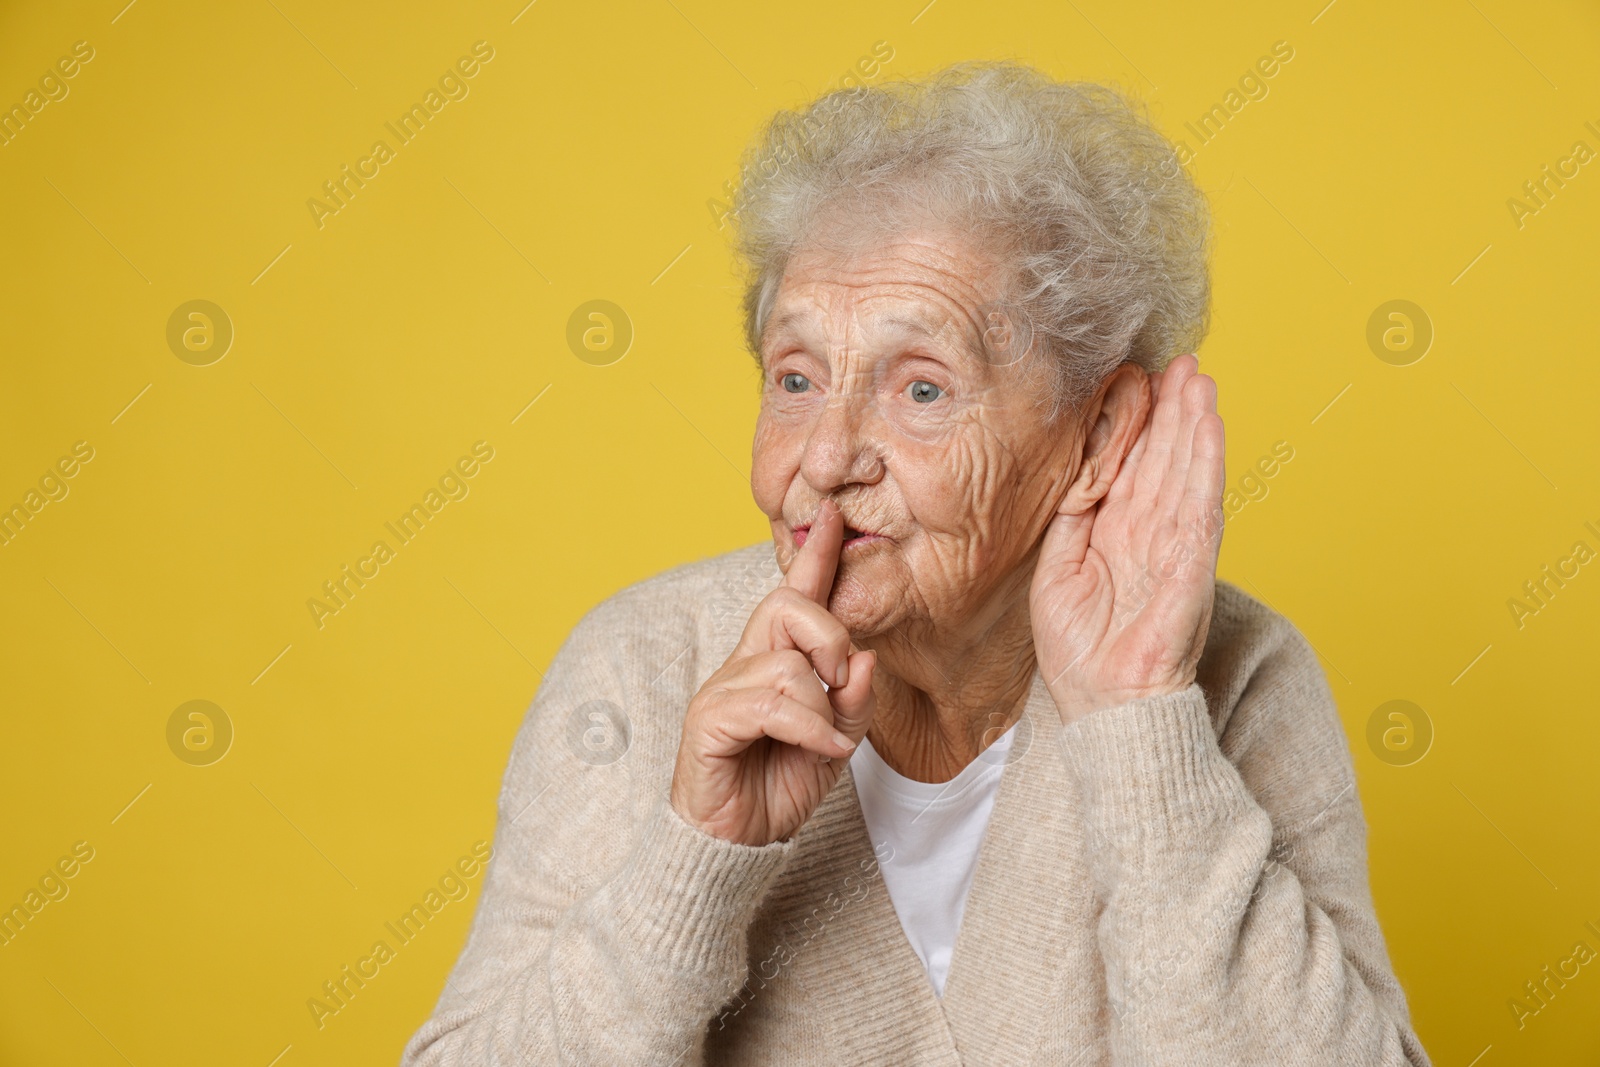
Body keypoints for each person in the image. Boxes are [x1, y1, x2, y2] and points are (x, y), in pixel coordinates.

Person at [401, 61, 1431, 1065]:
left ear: (1101, 429)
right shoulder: (643, 664)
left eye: (922, 389)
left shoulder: (1232, 675)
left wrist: (1137, 720)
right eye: (795, 377)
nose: (823, 456)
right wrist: (696, 854)